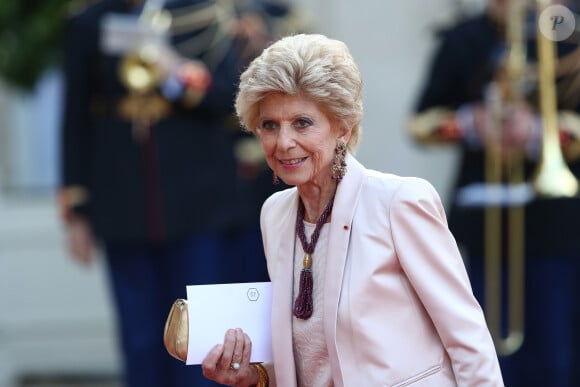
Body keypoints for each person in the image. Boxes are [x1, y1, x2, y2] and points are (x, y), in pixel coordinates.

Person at [197, 33, 504, 386]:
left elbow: (468, 341)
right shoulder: (275, 214)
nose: (283, 143)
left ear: (342, 127)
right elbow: (313, 353)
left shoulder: (399, 202)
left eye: (302, 123)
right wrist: (257, 376)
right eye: (269, 125)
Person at [57, 0, 295, 386]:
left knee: (204, 343)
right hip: (123, 203)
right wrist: (77, 210)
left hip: (200, 201)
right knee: (140, 341)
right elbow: (75, 120)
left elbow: (234, 102)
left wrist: (178, 74)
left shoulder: (207, 13)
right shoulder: (91, 21)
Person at [409, 0, 580, 386]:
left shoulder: (568, 33)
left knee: (556, 347)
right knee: (479, 345)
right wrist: (471, 123)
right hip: (481, 217)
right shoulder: (464, 38)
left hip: (556, 219)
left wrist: (539, 131)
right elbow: (420, 121)